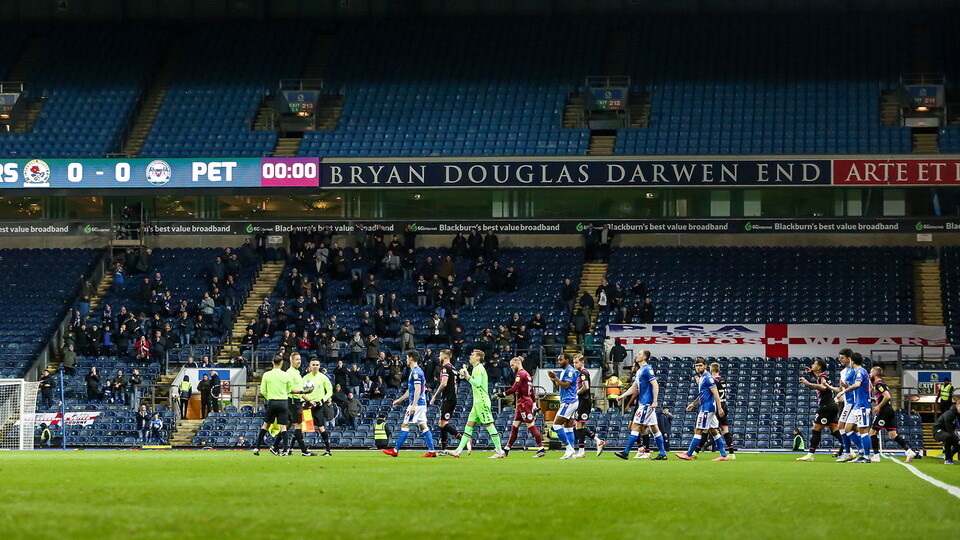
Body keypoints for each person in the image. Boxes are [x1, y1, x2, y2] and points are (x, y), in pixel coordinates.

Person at [448, 350, 504, 458]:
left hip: (481, 401)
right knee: (469, 426)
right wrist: (466, 375)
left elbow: (477, 383)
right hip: (477, 402)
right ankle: (458, 450)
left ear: (478, 357)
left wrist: (467, 376)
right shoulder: (476, 368)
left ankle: (499, 451)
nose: (470, 356)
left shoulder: (478, 369)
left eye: (472, 355)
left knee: (489, 424)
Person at [382, 350, 437, 457]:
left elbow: (417, 390)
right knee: (423, 426)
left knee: (405, 425)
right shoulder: (417, 371)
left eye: (407, 358)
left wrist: (414, 406)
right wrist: (399, 400)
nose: (406, 360)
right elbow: (410, 391)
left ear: (411, 358)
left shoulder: (416, 372)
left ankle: (395, 450)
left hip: (416, 404)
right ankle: (432, 451)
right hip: (421, 404)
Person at [614, 350, 667, 460]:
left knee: (635, 426)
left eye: (639, 354)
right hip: (644, 403)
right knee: (654, 428)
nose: (637, 355)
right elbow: (634, 387)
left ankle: (626, 452)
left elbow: (655, 384)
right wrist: (623, 395)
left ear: (644, 357)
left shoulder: (647, 369)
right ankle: (662, 454)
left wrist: (655, 401)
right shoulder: (640, 370)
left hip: (646, 403)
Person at [253, 355, 310, 456]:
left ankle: (257, 448)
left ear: (272, 362)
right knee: (283, 427)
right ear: (282, 363)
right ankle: (284, 450)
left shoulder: (267, 374)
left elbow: (263, 390)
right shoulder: (285, 375)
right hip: (283, 402)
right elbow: (289, 390)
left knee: (266, 425)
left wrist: (269, 397)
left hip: (272, 401)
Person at [675, 358, 729, 461]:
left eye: (700, 365)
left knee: (698, 430)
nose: (698, 367)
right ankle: (723, 455)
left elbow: (716, 393)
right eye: (697, 366)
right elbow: (703, 394)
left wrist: (720, 408)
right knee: (714, 431)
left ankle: (689, 454)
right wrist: (693, 403)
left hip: (707, 409)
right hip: (708, 408)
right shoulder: (703, 378)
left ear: (705, 366)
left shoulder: (708, 378)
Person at [494, 356, 545, 457]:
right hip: (523, 403)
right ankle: (506, 449)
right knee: (514, 427)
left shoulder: (520, 374)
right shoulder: (527, 374)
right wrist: (534, 404)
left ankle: (541, 448)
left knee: (531, 425)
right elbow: (532, 390)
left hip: (524, 403)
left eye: (512, 365)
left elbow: (515, 388)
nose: (511, 367)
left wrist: (501, 394)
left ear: (518, 363)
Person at [796, 359, 843, 462]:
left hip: (826, 406)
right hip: (832, 406)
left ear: (819, 367)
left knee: (816, 429)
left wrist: (808, 383)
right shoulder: (823, 376)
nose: (812, 365)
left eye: (814, 364)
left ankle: (810, 454)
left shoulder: (822, 377)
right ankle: (849, 450)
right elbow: (820, 381)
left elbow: (823, 387)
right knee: (834, 430)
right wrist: (812, 373)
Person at [868, 366, 917, 463]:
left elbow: (887, 397)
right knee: (893, 435)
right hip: (889, 410)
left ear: (875, 374)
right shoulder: (881, 384)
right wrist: (873, 400)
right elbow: (882, 397)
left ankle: (876, 456)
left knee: (872, 433)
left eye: (871, 372)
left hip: (884, 411)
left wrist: (878, 406)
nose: (870, 374)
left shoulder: (879, 384)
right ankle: (909, 451)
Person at [271, 353, 315, 457]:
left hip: (296, 401)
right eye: (296, 359)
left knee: (288, 425)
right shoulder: (290, 373)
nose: (299, 361)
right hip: (293, 402)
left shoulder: (297, 372)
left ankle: (275, 446)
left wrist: (309, 400)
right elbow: (290, 389)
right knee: (298, 425)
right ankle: (304, 450)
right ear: (291, 361)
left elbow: (300, 390)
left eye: (300, 359)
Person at [834, 352, 873, 464]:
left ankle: (866, 456)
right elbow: (868, 386)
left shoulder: (860, 371)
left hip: (862, 406)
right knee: (848, 428)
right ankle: (861, 452)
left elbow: (857, 385)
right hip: (857, 405)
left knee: (863, 430)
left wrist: (844, 391)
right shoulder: (858, 371)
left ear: (852, 361)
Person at [693, 363, 735, 459]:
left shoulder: (713, 380)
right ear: (719, 370)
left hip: (716, 406)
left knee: (706, 430)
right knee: (724, 431)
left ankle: (695, 452)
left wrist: (699, 382)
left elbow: (708, 391)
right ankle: (731, 453)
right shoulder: (722, 380)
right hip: (725, 405)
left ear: (711, 370)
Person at [429, 349, 464, 453]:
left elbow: (444, 383)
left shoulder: (445, 368)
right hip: (452, 397)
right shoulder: (453, 368)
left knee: (443, 424)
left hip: (447, 398)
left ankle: (464, 440)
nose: (439, 358)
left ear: (444, 357)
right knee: (443, 422)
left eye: (440, 356)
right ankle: (443, 449)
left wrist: (434, 396)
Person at [546, 353, 580, 460]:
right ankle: (572, 452)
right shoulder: (563, 372)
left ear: (567, 360)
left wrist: (556, 378)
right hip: (569, 401)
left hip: (568, 401)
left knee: (556, 425)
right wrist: (553, 380)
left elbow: (566, 385)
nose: (558, 361)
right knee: (569, 427)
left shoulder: (570, 371)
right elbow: (560, 388)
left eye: (560, 360)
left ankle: (569, 448)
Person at [572, 354, 605, 458]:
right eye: (574, 362)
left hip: (584, 401)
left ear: (582, 362)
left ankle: (582, 451)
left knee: (578, 425)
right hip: (583, 401)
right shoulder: (582, 373)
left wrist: (577, 393)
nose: (574, 364)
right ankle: (597, 441)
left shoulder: (583, 373)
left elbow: (586, 386)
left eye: (576, 362)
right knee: (579, 426)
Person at [832, 349, 861, 460]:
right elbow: (841, 388)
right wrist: (839, 393)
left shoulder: (855, 371)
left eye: (842, 357)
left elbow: (857, 386)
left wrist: (846, 388)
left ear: (849, 358)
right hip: (846, 402)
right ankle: (853, 452)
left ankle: (857, 451)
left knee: (843, 427)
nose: (840, 359)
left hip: (852, 402)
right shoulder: (843, 371)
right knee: (851, 429)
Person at [302, 357, 334, 456]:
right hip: (308, 406)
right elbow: (300, 391)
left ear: (319, 366)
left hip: (319, 406)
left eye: (317, 365)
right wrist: (305, 400)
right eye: (313, 365)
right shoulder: (305, 378)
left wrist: (322, 400)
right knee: (303, 427)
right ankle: (295, 449)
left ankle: (328, 450)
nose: (315, 366)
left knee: (321, 427)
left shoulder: (323, 377)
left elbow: (330, 391)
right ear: (310, 366)